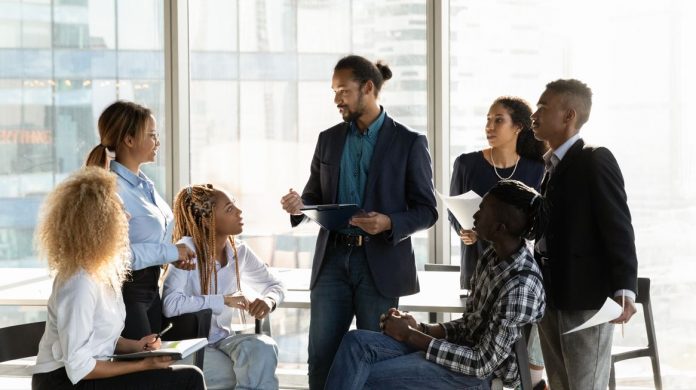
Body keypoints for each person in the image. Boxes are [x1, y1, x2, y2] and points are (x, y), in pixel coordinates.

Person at [280, 54, 438, 389]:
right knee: (321, 357)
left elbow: (427, 210)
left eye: (343, 90)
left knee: (375, 361)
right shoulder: (329, 139)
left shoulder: (409, 142)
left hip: (379, 264)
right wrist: (299, 206)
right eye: (334, 91)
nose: (337, 98)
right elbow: (313, 196)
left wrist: (388, 223)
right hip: (332, 261)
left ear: (368, 88)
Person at [324, 180, 547, 390]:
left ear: (501, 227)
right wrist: (421, 329)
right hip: (461, 354)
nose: (475, 214)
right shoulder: (492, 256)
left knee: (362, 375)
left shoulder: (521, 285)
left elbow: (482, 364)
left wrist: (411, 336)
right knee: (355, 343)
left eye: (483, 209)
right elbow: (470, 326)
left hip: (478, 376)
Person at [31, 167, 205, 390]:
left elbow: (102, 340)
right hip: (64, 382)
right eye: (120, 210)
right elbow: (80, 367)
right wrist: (143, 365)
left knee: (181, 377)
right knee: (188, 378)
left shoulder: (104, 273)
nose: (128, 216)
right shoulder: (79, 283)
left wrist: (137, 347)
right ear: (98, 223)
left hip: (90, 375)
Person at [531, 79, 638, 390]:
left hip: (586, 298)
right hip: (551, 294)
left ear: (569, 115)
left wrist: (624, 290)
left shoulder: (594, 158)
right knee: (560, 383)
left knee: (584, 385)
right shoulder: (549, 166)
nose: (534, 114)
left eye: (542, 107)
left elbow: (618, 227)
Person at [450, 96, 548, 389]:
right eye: (488, 120)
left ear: (518, 126)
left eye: (498, 120)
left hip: (518, 273)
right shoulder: (466, 163)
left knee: (515, 355)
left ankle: (533, 382)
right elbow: (455, 211)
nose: (489, 126)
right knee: (476, 339)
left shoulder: (537, 168)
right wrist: (464, 230)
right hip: (477, 265)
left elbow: (539, 223)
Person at [85, 100, 196, 340]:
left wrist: (174, 256)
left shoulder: (145, 186)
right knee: (144, 368)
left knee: (155, 366)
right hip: (127, 294)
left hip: (151, 291)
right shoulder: (111, 189)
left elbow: (155, 243)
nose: (158, 142)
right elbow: (115, 257)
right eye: (152, 135)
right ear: (129, 140)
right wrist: (170, 253)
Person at [163, 184, 285, 390]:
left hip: (223, 343)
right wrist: (223, 300)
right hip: (189, 347)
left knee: (263, 348)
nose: (239, 212)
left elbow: (275, 284)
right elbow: (170, 305)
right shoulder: (186, 251)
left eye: (235, 205)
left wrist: (269, 300)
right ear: (208, 221)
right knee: (251, 371)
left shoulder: (239, 252)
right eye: (229, 209)